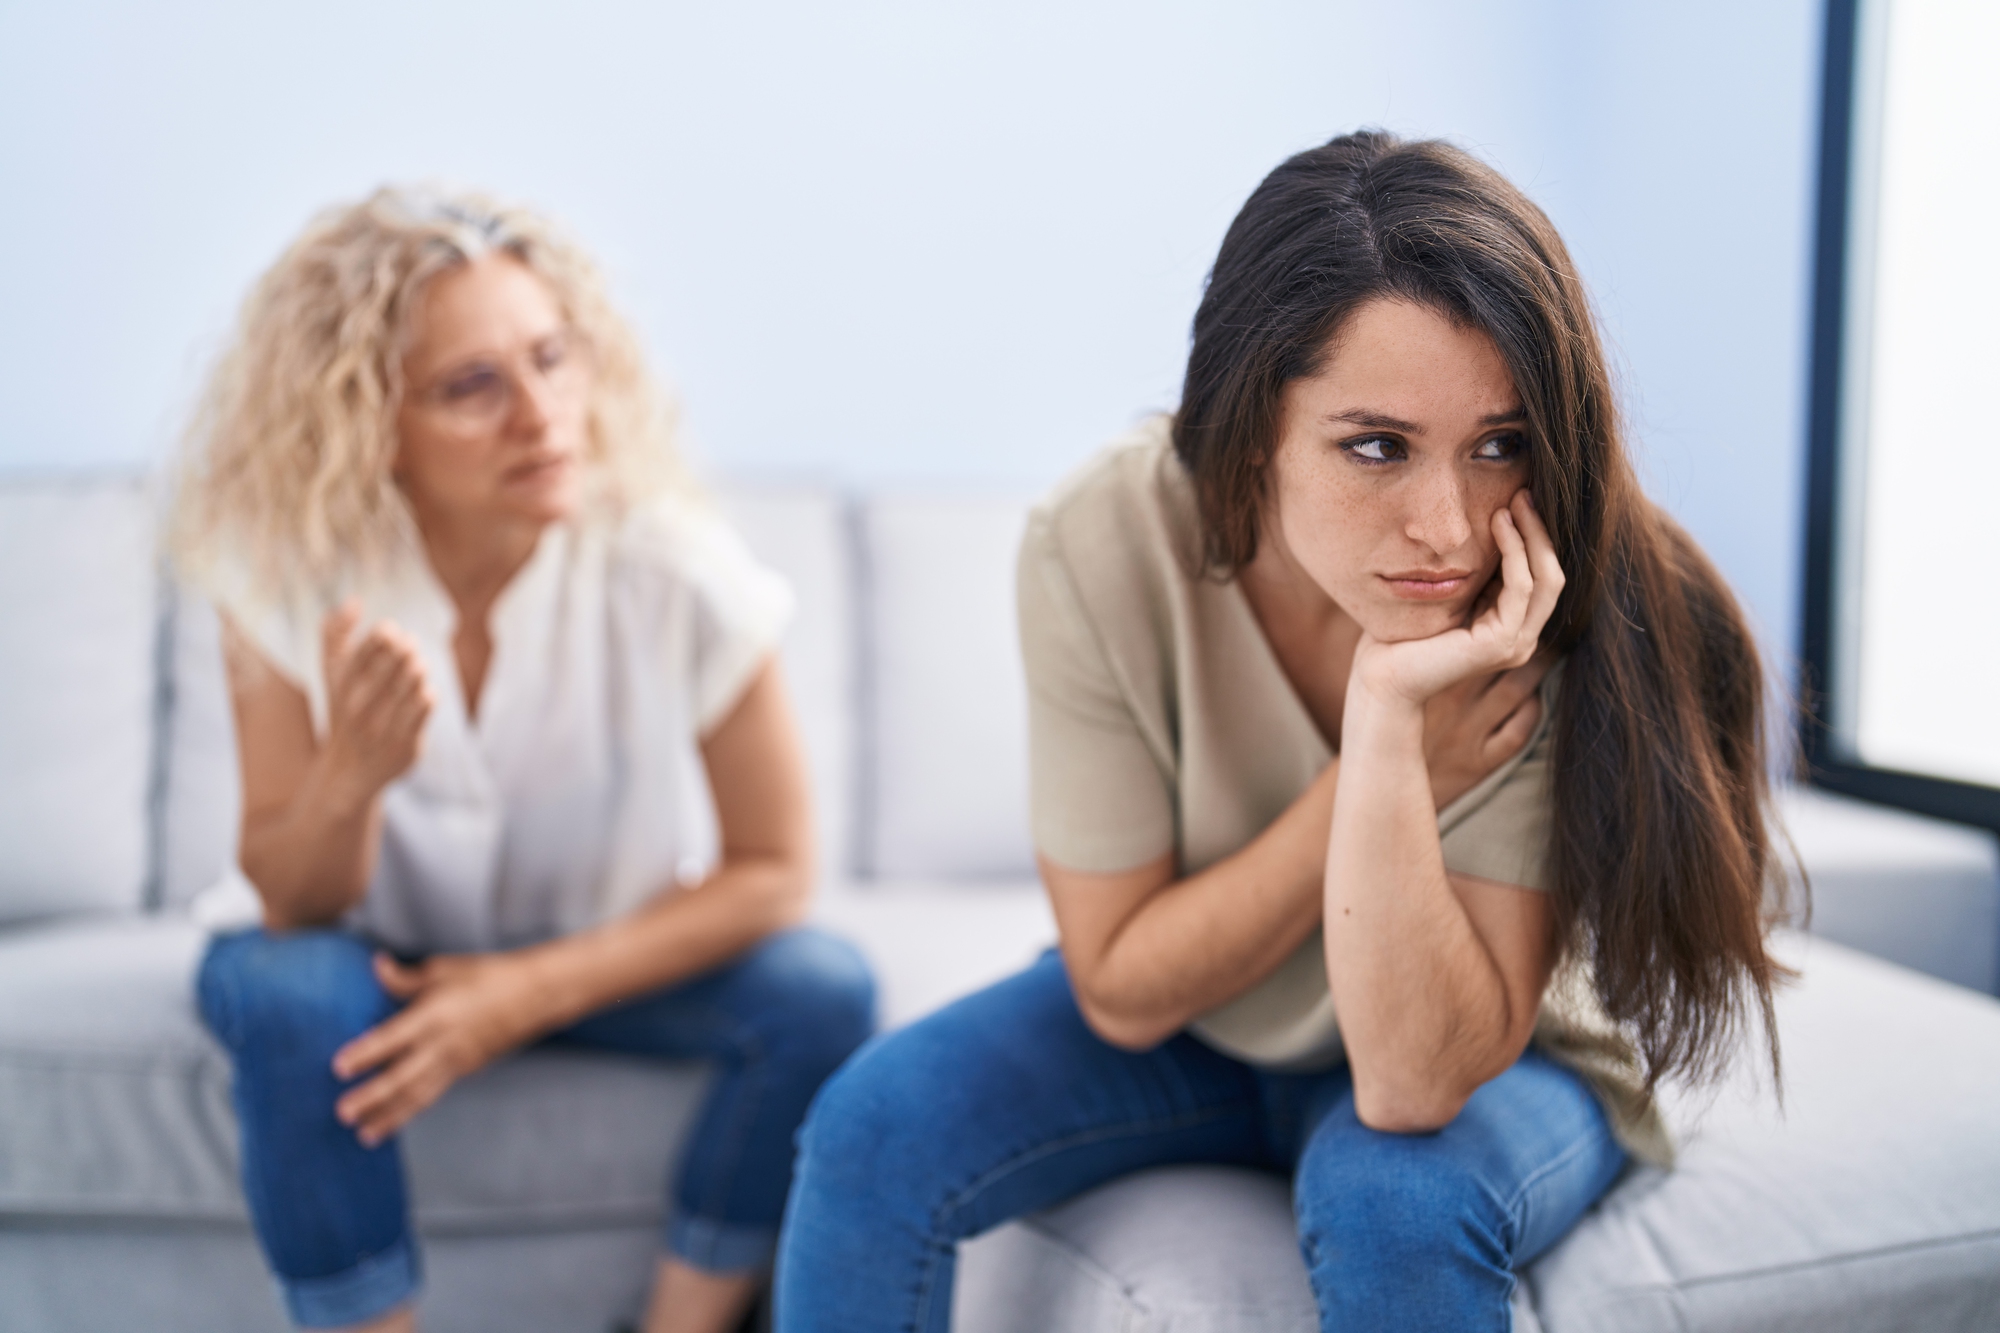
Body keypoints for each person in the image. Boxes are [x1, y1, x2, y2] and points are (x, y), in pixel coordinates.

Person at [773, 131, 1790, 1331]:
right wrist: (1381, 758)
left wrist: (1388, 707)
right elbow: (1117, 987)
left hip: (1497, 1055)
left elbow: (1413, 1082)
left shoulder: (1534, 588)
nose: (1450, 529)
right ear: (1255, 423)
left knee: (1395, 1208)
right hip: (1201, 1022)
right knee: (871, 1123)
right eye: (1375, 447)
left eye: (1496, 445)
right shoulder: (1101, 537)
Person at [172, 188, 875, 1333]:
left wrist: (519, 994)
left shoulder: (674, 569)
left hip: (593, 952)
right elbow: (291, 899)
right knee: (287, 992)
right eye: (471, 387)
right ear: (371, 425)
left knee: (822, 986)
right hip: (365, 964)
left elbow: (775, 867)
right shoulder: (287, 572)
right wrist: (352, 770)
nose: (542, 417)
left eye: (553, 359)